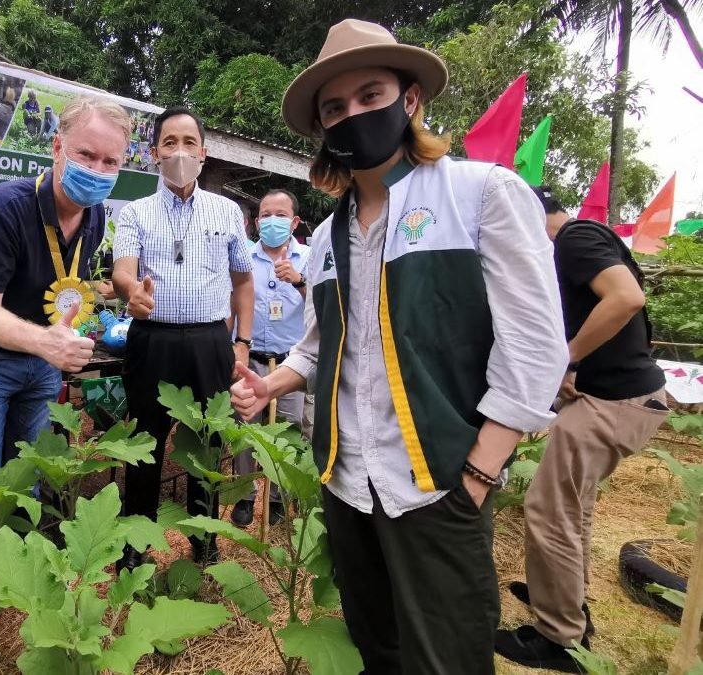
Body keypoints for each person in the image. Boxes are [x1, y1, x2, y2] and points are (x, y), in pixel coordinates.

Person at [229, 19, 567, 673]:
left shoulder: (479, 194)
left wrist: (478, 473)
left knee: (447, 658)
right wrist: (270, 384)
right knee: (376, 648)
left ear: (409, 99)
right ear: (323, 128)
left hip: (437, 483)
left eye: (370, 95)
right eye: (335, 107)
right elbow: (319, 347)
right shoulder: (326, 237)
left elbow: (535, 345)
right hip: (347, 482)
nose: (353, 114)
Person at [0, 97, 132, 648]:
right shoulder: (2, 209)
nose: (97, 170)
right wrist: (47, 343)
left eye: (110, 162)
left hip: (41, 363)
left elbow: (62, 288)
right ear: (57, 147)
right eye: (86, 155)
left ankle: (21, 590)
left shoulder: (95, 216)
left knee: (27, 478)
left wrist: (71, 331)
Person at [495, 187, 670, 672]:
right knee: (573, 509)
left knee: (549, 511)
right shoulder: (578, 244)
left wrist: (565, 360)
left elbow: (627, 298)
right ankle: (567, 599)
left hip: (613, 402)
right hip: (621, 397)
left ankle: (559, 638)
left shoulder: (575, 239)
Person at [112, 106, 255, 570]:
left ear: (203, 152)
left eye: (189, 142)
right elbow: (122, 271)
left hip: (210, 342)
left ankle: (204, 540)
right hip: (151, 341)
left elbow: (243, 281)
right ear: (154, 153)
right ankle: (135, 545)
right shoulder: (136, 213)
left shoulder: (227, 212)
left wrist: (242, 342)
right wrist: (131, 291)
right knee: (144, 443)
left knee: (207, 442)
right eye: (169, 143)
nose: (179, 152)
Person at [230, 189, 310, 529]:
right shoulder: (244, 256)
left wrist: (299, 280)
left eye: (280, 215)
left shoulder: (308, 258)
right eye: (266, 215)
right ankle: (244, 496)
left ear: (294, 222)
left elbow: (323, 306)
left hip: (290, 364)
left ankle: (277, 498)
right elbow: (233, 301)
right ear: (256, 221)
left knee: (288, 431)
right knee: (245, 428)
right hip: (250, 358)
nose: (272, 221)